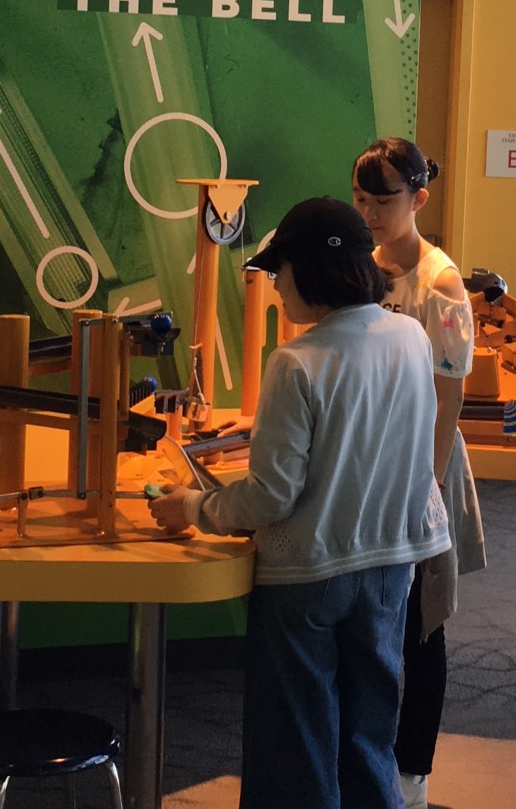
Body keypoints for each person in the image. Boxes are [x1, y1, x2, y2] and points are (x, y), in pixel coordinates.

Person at [149, 196, 450, 809]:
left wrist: (192, 507)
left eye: (279, 271)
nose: (276, 286)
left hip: (306, 576)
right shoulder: (411, 338)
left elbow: (272, 496)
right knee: (371, 733)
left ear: (309, 270)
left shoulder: (295, 362)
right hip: (391, 566)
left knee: (297, 743)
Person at [351, 138, 486, 809]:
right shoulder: (362, 268)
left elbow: (449, 393)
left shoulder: (441, 282)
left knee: (421, 625)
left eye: (385, 201)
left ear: (419, 198)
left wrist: (428, 487)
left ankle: (415, 772)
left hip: (421, 463)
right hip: (368, 461)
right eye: (362, 200)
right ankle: (367, 761)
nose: (371, 214)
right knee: (372, 618)